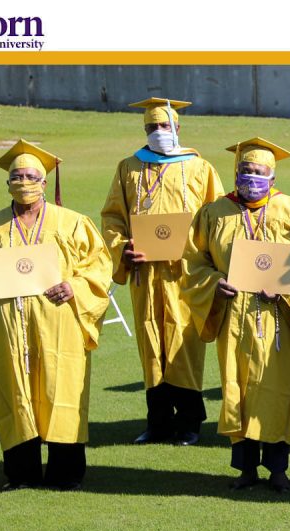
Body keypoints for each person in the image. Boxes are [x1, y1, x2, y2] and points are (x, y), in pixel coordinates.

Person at [0, 140, 112, 491]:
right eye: (17, 177)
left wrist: (75, 287)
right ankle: (21, 473)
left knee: (61, 391)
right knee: (11, 393)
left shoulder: (72, 223)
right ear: (7, 183)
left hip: (59, 329)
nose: (24, 182)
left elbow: (99, 267)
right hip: (2, 332)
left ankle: (66, 474)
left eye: (31, 176)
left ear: (45, 182)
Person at [182, 138, 290, 492]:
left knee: (277, 392)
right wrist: (214, 282)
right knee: (238, 391)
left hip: (279, 318)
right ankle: (245, 469)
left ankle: (278, 470)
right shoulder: (214, 212)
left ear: (273, 176)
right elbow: (192, 263)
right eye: (245, 171)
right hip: (234, 316)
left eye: (259, 172)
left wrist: (286, 290)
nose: (251, 177)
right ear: (236, 172)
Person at [102, 97, 224, 447]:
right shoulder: (129, 168)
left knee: (185, 342)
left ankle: (189, 423)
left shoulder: (200, 168)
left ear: (177, 129)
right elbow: (112, 216)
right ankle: (157, 422)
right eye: (151, 127)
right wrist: (122, 247)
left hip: (186, 273)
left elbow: (217, 217)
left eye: (164, 126)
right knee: (151, 343)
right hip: (145, 274)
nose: (158, 132)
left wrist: (206, 255)